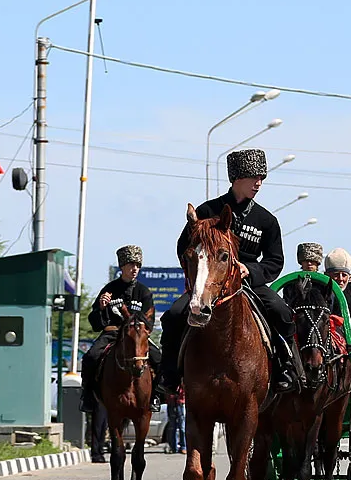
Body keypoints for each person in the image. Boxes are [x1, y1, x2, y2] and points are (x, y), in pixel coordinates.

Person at [158, 149, 297, 395]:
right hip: (209, 283)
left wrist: (250, 270)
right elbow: (184, 249)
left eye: (262, 178)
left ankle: (286, 369)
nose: (259, 183)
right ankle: (168, 375)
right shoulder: (207, 211)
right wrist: (199, 277)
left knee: (282, 312)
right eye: (254, 177)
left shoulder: (267, 220)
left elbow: (275, 261)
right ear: (236, 178)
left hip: (248, 284)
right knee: (173, 315)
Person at [80, 245, 158, 462]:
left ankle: (157, 395)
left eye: (138, 266)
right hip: (112, 335)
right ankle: (88, 396)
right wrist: (102, 308)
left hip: (135, 337)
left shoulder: (144, 292)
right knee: (90, 357)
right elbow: (94, 322)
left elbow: (149, 321)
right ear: (122, 266)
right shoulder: (109, 289)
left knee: (159, 358)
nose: (135, 269)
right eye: (131, 265)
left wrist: (135, 325)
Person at [165, 386, 187, 454]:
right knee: (172, 427)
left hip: (180, 402)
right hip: (171, 402)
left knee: (182, 427)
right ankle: (173, 447)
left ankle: (183, 447)